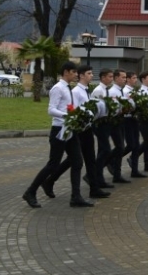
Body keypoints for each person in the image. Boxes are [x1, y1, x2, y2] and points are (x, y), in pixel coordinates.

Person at [22, 61, 93, 209]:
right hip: (59, 130)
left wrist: (76, 115)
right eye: (73, 72)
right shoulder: (58, 88)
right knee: (53, 164)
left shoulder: (68, 89)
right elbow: (51, 110)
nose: (75, 75)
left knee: (77, 162)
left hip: (70, 129)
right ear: (66, 72)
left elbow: (69, 107)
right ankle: (30, 191)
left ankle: (76, 196)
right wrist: (67, 115)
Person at [41, 65, 111, 200]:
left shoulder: (87, 90)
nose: (91, 75)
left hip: (87, 128)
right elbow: (74, 109)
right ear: (81, 75)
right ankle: (50, 181)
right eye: (89, 73)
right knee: (73, 161)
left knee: (89, 159)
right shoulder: (76, 92)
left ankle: (94, 188)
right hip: (79, 129)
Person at [89, 69, 117, 190]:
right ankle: (95, 175)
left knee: (103, 150)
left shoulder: (106, 90)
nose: (111, 78)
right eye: (110, 76)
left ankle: (99, 178)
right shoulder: (98, 90)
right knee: (106, 150)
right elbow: (95, 108)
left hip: (106, 121)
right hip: (99, 122)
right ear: (103, 77)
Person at [106, 70, 131, 184]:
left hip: (121, 120)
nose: (125, 79)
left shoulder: (120, 91)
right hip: (114, 121)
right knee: (119, 147)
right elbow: (112, 108)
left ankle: (117, 173)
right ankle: (108, 164)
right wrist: (121, 109)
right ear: (116, 78)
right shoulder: (112, 91)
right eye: (122, 77)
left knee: (120, 147)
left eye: (125, 77)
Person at [122, 71, 147, 178]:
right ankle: (113, 160)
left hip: (134, 118)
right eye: (133, 78)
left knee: (136, 145)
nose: (135, 80)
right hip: (127, 119)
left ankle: (135, 170)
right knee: (131, 145)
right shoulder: (125, 91)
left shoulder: (133, 90)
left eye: (136, 78)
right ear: (127, 79)